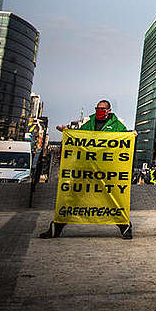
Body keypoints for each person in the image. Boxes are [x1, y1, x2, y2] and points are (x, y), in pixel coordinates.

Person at [40, 100, 134, 239]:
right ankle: (57, 227)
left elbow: (124, 137)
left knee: (112, 198)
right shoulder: (89, 123)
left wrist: (131, 135)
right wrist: (67, 132)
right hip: (86, 168)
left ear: (109, 110)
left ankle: (125, 226)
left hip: (105, 170)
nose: (99, 110)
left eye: (102, 108)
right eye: (98, 108)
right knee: (72, 198)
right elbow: (79, 135)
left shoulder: (116, 125)